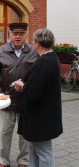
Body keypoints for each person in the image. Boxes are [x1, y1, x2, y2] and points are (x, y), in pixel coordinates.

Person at [0, 22, 38, 167]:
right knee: (5, 132)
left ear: (26, 35)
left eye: (21, 34)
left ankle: (23, 160)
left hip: (26, 100)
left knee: (24, 135)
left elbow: (38, 77)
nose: (18, 36)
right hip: (7, 101)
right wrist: (1, 96)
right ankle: (3, 161)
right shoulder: (0, 51)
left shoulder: (33, 52)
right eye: (14, 33)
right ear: (9, 34)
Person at [14, 28, 63, 167]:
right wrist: (25, 83)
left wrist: (22, 85)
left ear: (37, 43)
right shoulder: (51, 58)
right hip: (44, 114)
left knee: (44, 151)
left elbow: (35, 92)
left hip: (40, 116)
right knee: (34, 149)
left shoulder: (44, 61)